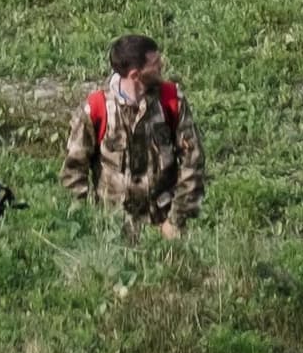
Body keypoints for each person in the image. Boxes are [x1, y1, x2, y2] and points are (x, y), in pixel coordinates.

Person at [63, 33, 203, 233]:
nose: (161, 64)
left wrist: (176, 220)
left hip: (163, 224)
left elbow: (193, 162)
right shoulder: (97, 108)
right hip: (111, 228)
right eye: (155, 63)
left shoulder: (171, 100)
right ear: (136, 74)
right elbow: (74, 170)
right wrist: (84, 223)